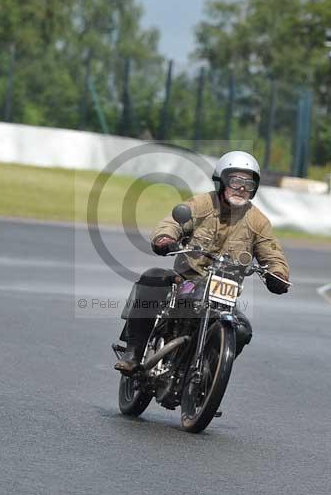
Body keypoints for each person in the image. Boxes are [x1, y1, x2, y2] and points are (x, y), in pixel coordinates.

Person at [114, 151, 291, 374]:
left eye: (248, 183)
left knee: (242, 329)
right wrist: (165, 238)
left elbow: (272, 253)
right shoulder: (201, 204)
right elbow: (172, 222)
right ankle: (134, 352)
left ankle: (209, 375)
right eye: (236, 181)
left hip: (222, 295)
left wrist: (278, 275)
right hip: (186, 280)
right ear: (222, 181)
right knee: (153, 279)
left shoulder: (258, 221)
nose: (241, 188)